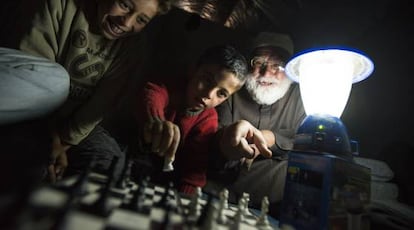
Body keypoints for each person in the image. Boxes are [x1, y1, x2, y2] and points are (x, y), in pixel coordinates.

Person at [0, 0, 172, 183]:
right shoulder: (59, 5)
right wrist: (50, 141)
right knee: (34, 161)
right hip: (32, 114)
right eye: (125, 5)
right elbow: (30, 82)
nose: (127, 22)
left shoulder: (134, 46)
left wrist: (63, 144)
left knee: (110, 162)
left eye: (142, 19)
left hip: (75, 125)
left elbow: (102, 103)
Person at [206, 32, 306, 217]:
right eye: (259, 62)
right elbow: (210, 145)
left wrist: (270, 139)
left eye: (278, 65)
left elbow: (310, 147)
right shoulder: (230, 91)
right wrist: (228, 144)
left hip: (277, 210)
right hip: (218, 200)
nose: (267, 73)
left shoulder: (303, 98)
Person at [133, 45, 248, 194]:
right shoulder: (170, 85)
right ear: (193, 70)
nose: (209, 94)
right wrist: (156, 122)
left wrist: (186, 199)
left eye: (221, 94)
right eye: (207, 80)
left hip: (158, 176)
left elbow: (194, 167)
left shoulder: (208, 119)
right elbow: (153, 93)